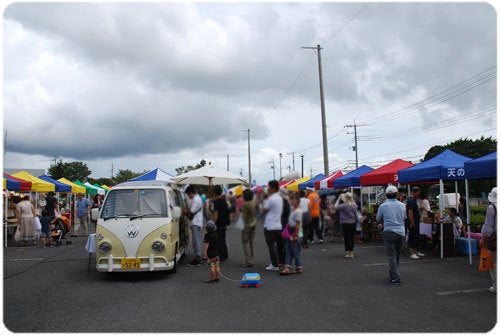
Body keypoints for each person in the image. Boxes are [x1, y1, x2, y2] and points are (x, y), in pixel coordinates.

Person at [376, 185, 406, 284]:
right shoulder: (402, 205)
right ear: (397, 194)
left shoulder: (383, 206)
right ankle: (393, 273)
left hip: (389, 231)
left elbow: (378, 218)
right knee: (397, 255)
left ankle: (395, 276)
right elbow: (404, 218)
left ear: (386, 195)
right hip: (401, 231)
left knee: (391, 256)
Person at [262, 180, 284, 271]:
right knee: (279, 245)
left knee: (271, 245)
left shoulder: (271, 198)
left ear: (273, 188)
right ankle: (281, 262)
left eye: (269, 187)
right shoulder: (280, 197)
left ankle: (274, 264)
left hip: (270, 225)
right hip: (278, 224)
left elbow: (264, 210)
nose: (268, 189)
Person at [281, 192, 303, 275]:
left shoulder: (298, 211)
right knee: (288, 250)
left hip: (295, 233)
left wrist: (296, 235)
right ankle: (287, 267)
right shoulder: (292, 209)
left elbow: (297, 224)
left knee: (295, 251)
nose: (291, 201)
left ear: (297, 200)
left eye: (292, 199)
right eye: (290, 199)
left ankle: (299, 267)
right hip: (290, 232)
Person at [480, 187, 497, 293]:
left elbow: (489, 226)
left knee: (495, 262)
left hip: (495, 237)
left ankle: (496, 285)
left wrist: (483, 238)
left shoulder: (492, 207)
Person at [184, 186, 204, 267]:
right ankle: (197, 256)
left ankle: (197, 258)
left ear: (191, 193)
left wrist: (184, 211)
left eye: (189, 195)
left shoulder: (196, 199)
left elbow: (192, 211)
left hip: (196, 222)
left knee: (196, 240)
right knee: (195, 240)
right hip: (196, 222)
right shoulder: (197, 198)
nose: (189, 197)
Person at [334, 192, 357, 258]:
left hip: (345, 223)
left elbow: (335, 207)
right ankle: (351, 252)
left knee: (347, 238)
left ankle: (348, 253)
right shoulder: (354, 205)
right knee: (351, 237)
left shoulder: (343, 205)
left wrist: (338, 198)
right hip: (353, 223)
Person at [211, 185, 230, 261]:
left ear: (215, 192)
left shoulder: (216, 202)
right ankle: (225, 254)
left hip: (218, 223)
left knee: (218, 240)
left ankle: (221, 256)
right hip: (224, 223)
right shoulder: (224, 201)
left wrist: (212, 223)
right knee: (223, 239)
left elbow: (215, 214)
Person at [407, 187, 424, 259]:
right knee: (412, 236)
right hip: (413, 222)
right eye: (418, 192)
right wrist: (412, 222)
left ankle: (416, 251)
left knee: (416, 236)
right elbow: (410, 212)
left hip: (416, 221)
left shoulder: (413, 200)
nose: (419, 194)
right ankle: (412, 252)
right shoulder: (410, 201)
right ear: (415, 192)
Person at [241, 189, 256, 267]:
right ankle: (251, 259)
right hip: (253, 224)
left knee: (245, 241)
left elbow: (244, 216)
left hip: (247, 225)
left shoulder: (246, 204)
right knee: (251, 242)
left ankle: (249, 261)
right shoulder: (253, 203)